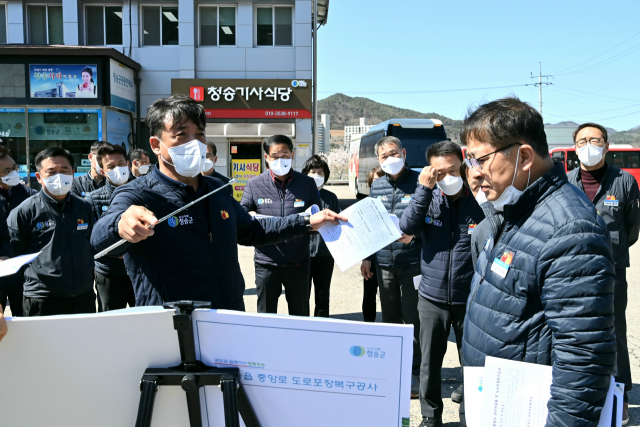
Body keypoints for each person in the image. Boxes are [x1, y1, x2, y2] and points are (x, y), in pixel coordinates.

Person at [90, 95, 345, 310]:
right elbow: (99, 237)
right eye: (181, 135)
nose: (195, 143)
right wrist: (120, 224)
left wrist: (307, 222)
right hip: (174, 325)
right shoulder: (139, 194)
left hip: (228, 313)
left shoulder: (218, 189)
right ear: (156, 145)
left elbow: (253, 231)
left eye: (199, 135)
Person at [461, 97, 616, 426]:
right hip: (491, 402)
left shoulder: (569, 229)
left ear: (525, 157)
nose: (473, 173)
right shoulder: (513, 205)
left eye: (480, 160)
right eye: (469, 160)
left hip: (523, 411)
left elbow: (583, 361)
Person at [400, 140, 484, 427]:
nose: (446, 178)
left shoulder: (479, 197)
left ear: (463, 166)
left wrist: (477, 188)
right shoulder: (427, 197)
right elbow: (407, 228)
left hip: (471, 298)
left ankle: (469, 417)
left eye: (452, 170)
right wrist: (423, 189)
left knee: (472, 365)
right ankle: (430, 416)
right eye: (439, 173)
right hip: (432, 296)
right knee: (429, 364)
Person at [566, 122, 639, 424]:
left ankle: (619, 397)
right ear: (574, 146)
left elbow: (632, 228)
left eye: (595, 140)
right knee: (576, 334)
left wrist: (614, 249)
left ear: (607, 145)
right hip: (572, 271)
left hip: (611, 271)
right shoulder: (564, 181)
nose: (589, 145)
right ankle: (582, 394)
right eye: (582, 140)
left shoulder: (624, 182)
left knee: (614, 334)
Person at [359, 136, 422, 398]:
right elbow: (372, 225)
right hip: (385, 263)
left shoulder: (420, 182)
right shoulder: (377, 186)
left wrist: (416, 236)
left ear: (404, 153)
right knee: (391, 318)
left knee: (413, 319)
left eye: (394, 153)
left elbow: (430, 218)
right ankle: (395, 369)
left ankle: (415, 373)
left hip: (413, 263)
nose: (390, 160)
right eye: (384, 157)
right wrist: (367, 257)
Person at [8, 147, 96, 316]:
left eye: (64, 171)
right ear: (39, 177)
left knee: (83, 342)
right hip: (43, 298)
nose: (58, 177)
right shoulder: (25, 211)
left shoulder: (84, 207)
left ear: (73, 173)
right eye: (51, 172)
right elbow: (12, 254)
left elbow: (90, 244)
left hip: (83, 295)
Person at [240, 135, 322, 316]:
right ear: (266, 158)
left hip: (299, 262)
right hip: (266, 262)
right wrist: (251, 216)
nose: (280, 160)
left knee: (300, 315)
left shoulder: (307, 183)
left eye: (284, 155)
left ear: (292, 155)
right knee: (266, 315)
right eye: (275, 156)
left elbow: (318, 214)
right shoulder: (254, 184)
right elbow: (243, 216)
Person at [86, 143, 135, 312]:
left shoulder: (145, 191)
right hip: (109, 272)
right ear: (103, 171)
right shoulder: (93, 199)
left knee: (145, 320)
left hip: (141, 270)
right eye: (111, 166)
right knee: (111, 322)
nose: (118, 169)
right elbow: (90, 237)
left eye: (121, 164)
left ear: (128, 164)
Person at [301, 154, 340, 317]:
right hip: (302, 253)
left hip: (325, 253)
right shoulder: (299, 195)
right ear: (305, 174)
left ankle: (322, 325)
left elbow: (338, 223)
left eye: (320, 172)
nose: (317, 175)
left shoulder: (331, 197)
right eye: (313, 172)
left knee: (323, 294)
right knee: (302, 294)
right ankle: (303, 326)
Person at [0, 146, 36, 317]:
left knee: (24, 318)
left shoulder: (29, 194)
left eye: (14, 167)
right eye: (7, 170)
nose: (14, 172)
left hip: (23, 269)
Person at [361, 166, 385, 323]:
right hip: (371, 258)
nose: (378, 183)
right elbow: (364, 235)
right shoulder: (365, 205)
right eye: (375, 180)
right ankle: (368, 326)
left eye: (381, 179)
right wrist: (366, 259)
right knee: (369, 295)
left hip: (389, 258)